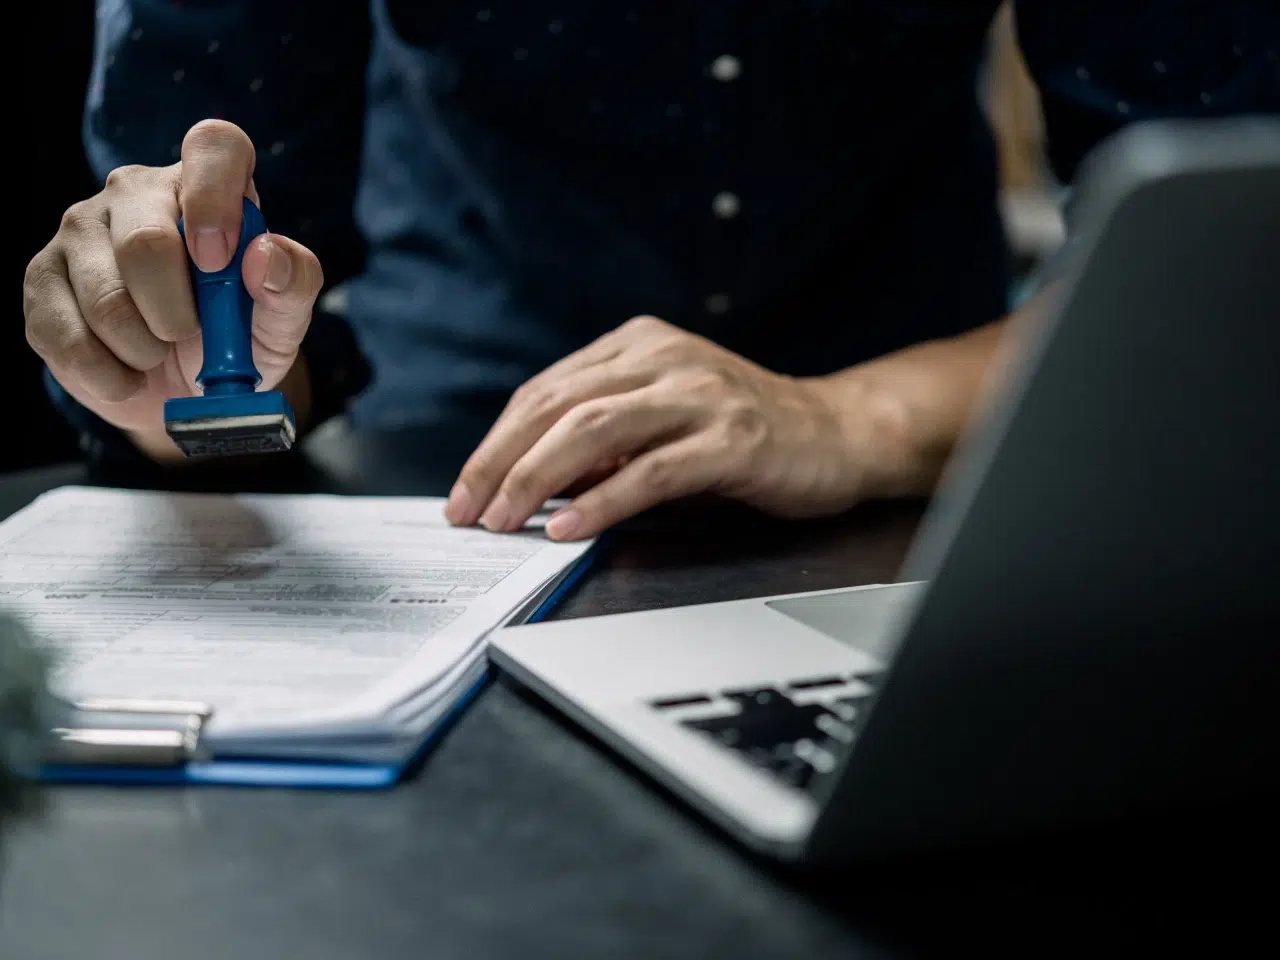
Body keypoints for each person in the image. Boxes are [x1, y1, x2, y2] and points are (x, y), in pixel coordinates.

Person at [23, 2, 1277, 541]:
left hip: (932, 467)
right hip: (442, 493)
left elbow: (1222, 255)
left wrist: (856, 415)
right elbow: (229, 370)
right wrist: (178, 400)